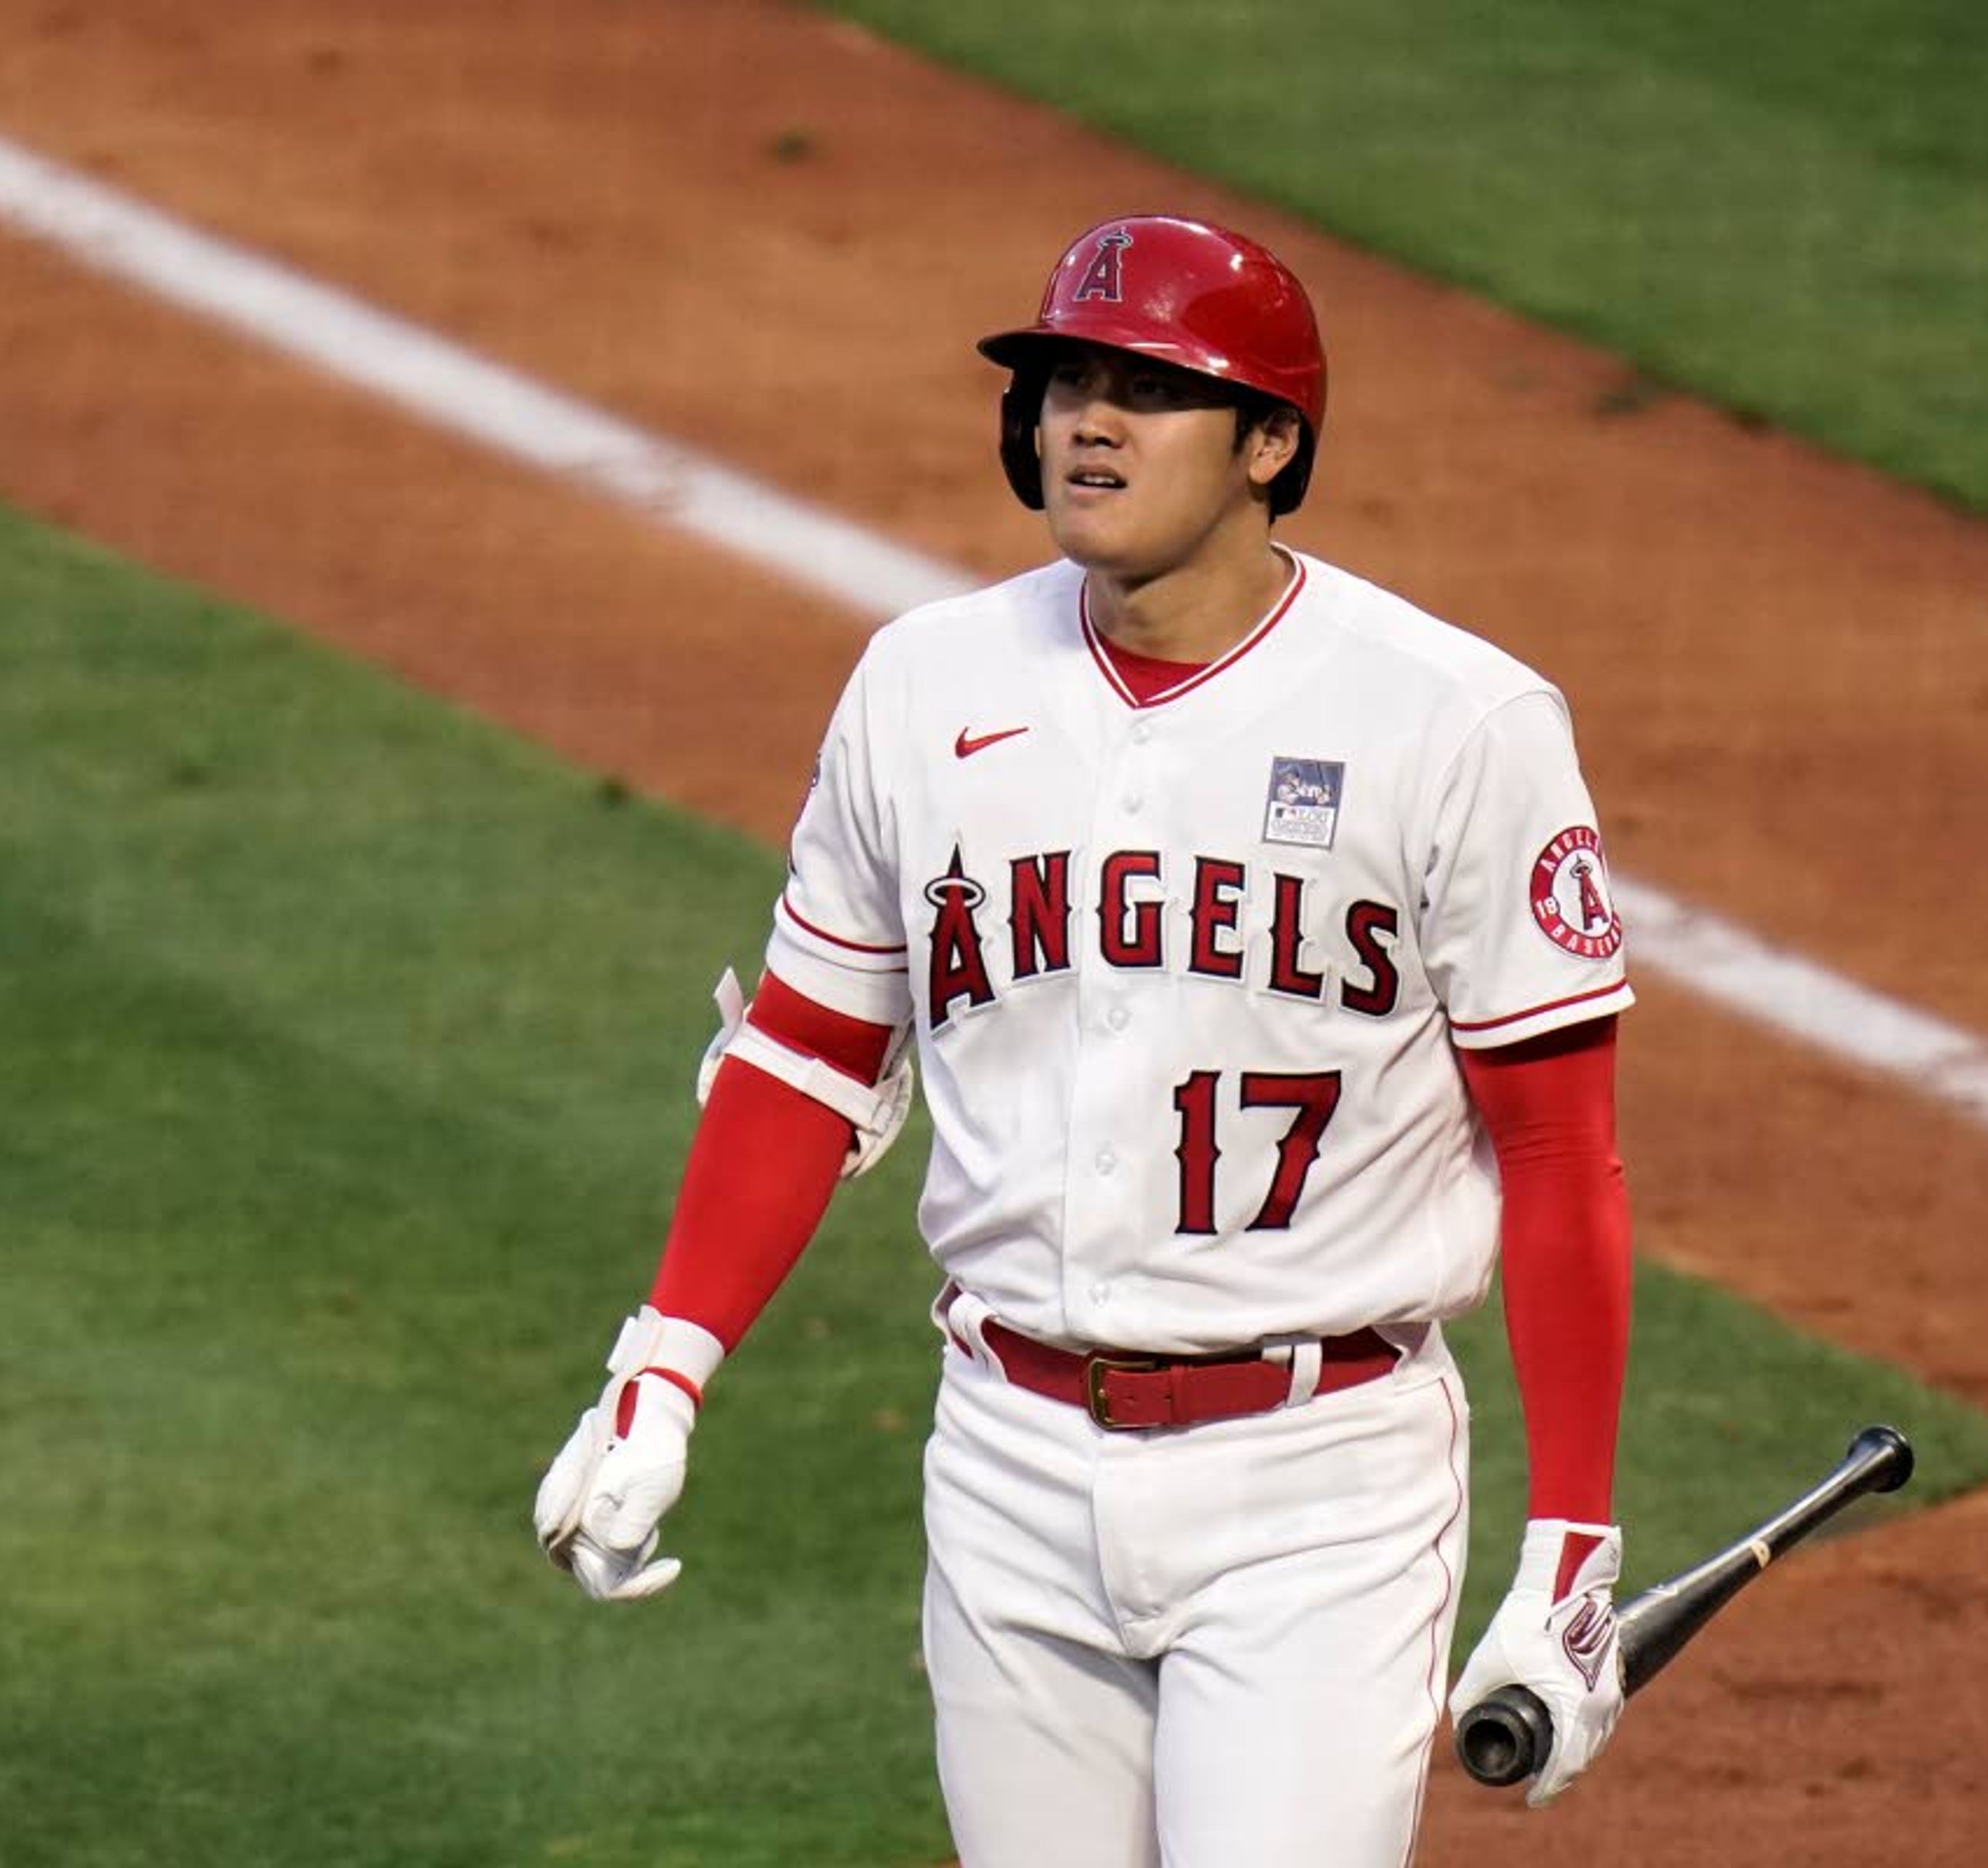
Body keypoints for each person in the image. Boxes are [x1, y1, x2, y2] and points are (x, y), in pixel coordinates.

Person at [533, 212, 1637, 1864]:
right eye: (1064, 381)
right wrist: (663, 1365)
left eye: (1149, 389)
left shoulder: (1453, 721)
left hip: (1316, 1483)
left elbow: (1556, 1148)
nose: (1087, 421)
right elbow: (807, 1051)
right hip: (1006, 1457)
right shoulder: (925, 684)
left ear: (1273, 444)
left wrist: (1569, 1541)